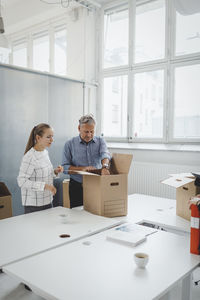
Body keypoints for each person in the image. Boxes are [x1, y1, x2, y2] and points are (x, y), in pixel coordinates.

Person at [62, 114, 111, 208]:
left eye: (92, 132)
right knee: (77, 216)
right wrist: (83, 169)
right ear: (79, 128)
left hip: (96, 185)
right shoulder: (69, 144)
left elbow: (105, 154)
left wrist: (105, 167)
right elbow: (64, 168)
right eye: (86, 132)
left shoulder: (100, 141)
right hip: (77, 186)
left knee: (97, 215)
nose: (89, 135)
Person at [17, 123, 63, 214]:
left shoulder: (45, 152)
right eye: (48, 137)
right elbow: (21, 181)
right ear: (38, 138)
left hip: (47, 201)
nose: (52, 140)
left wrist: (55, 171)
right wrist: (45, 186)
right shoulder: (29, 157)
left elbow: (44, 173)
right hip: (34, 206)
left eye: (52, 136)